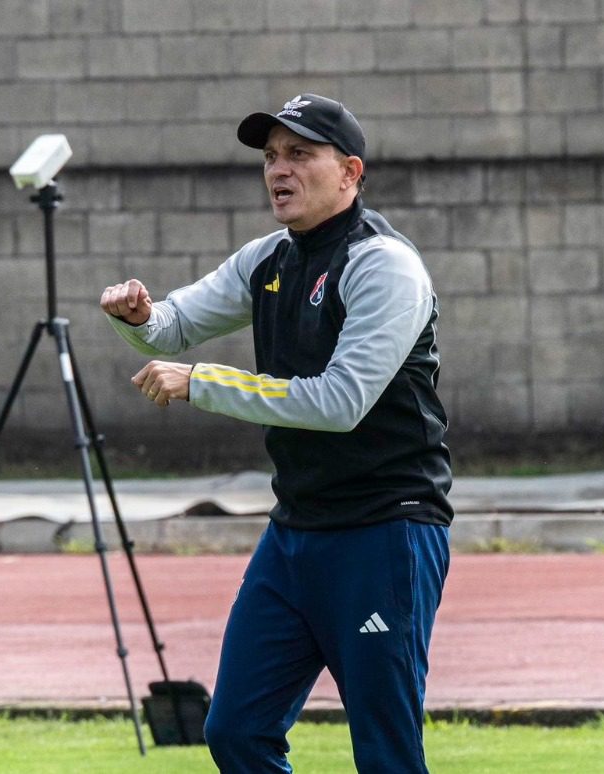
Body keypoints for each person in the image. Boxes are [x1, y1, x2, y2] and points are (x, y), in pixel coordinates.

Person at [100, 93, 453, 773]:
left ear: (349, 171)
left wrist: (199, 382)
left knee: (386, 754)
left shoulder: (383, 264)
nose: (277, 171)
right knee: (235, 731)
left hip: (385, 530)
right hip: (296, 534)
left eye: (299, 154)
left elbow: (340, 401)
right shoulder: (270, 257)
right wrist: (137, 316)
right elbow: (173, 324)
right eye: (269, 157)